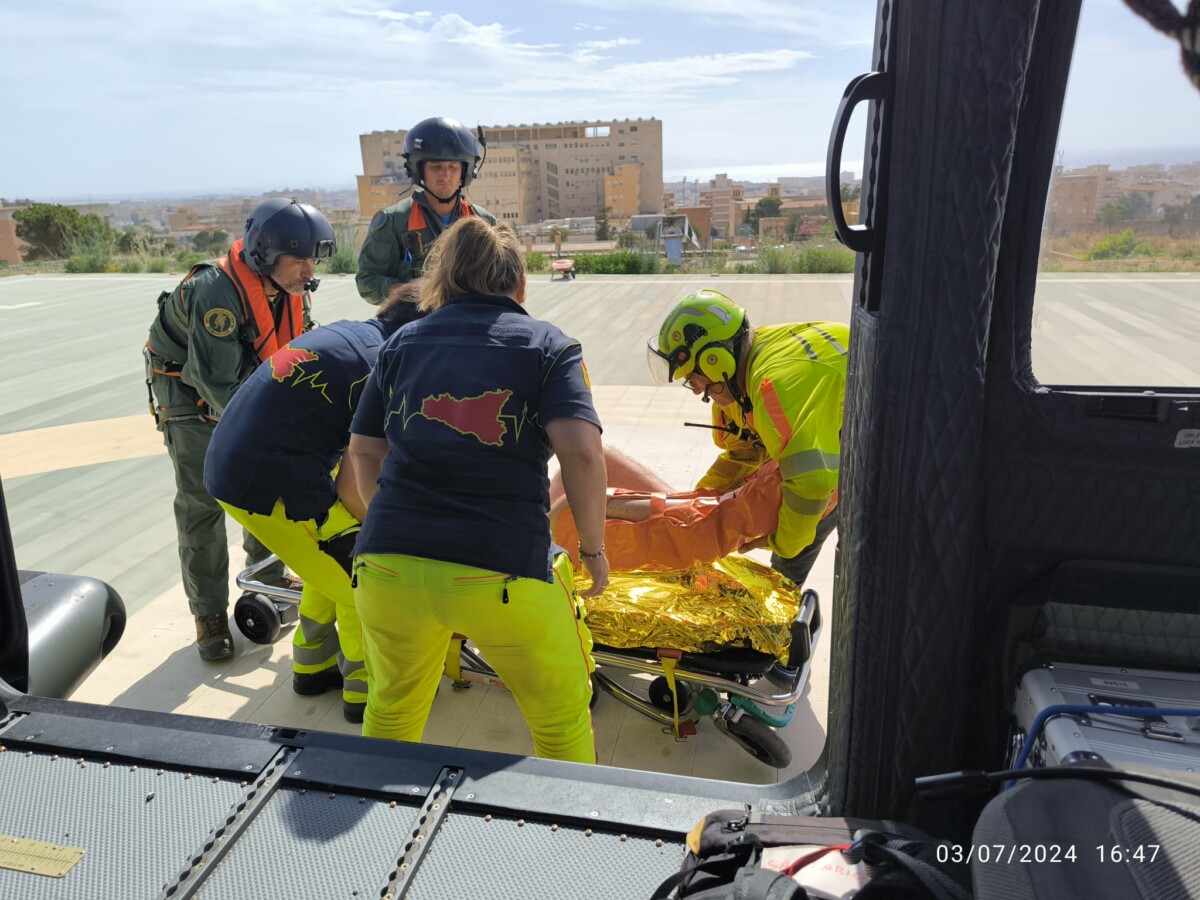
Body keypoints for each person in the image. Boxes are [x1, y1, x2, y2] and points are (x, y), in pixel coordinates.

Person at [347, 217, 608, 761]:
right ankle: (574, 845)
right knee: (561, 721)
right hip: (503, 568)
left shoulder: (400, 344)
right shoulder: (548, 347)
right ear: (520, 285)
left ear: (442, 280)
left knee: (391, 714)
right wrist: (593, 550)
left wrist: (392, 524)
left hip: (388, 567)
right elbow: (581, 452)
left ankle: (375, 831)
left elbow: (364, 450)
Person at [202, 285, 426, 722]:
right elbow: (353, 485)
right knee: (364, 574)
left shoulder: (352, 337)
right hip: (272, 483)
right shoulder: (383, 365)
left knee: (322, 562)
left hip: (237, 467)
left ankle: (313, 664)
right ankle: (367, 690)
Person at [144, 198, 336, 661]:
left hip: (243, 381)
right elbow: (216, 383)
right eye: (299, 260)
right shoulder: (215, 294)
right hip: (188, 394)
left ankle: (266, 583)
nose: (308, 270)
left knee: (263, 487)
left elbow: (298, 353)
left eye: (314, 259)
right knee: (202, 501)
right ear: (265, 255)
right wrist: (277, 434)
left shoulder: (290, 288)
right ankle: (208, 614)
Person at [645, 290, 849, 588]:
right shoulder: (738, 379)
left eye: (693, 377)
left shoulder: (773, 387)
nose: (694, 389)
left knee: (788, 565)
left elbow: (813, 483)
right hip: (851, 434)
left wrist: (783, 543)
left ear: (713, 360)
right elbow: (743, 455)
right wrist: (695, 507)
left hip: (885, 449)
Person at [355, 116, 496, 305]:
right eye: (436, 167)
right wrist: (407, 291)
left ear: (466, 171)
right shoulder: (394, 221)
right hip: (414, 324)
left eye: (453, 167)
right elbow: (367, 282)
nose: (445, 175)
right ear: (419, 170)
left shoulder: (484, 223)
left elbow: (503, 281)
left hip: (470, 324)